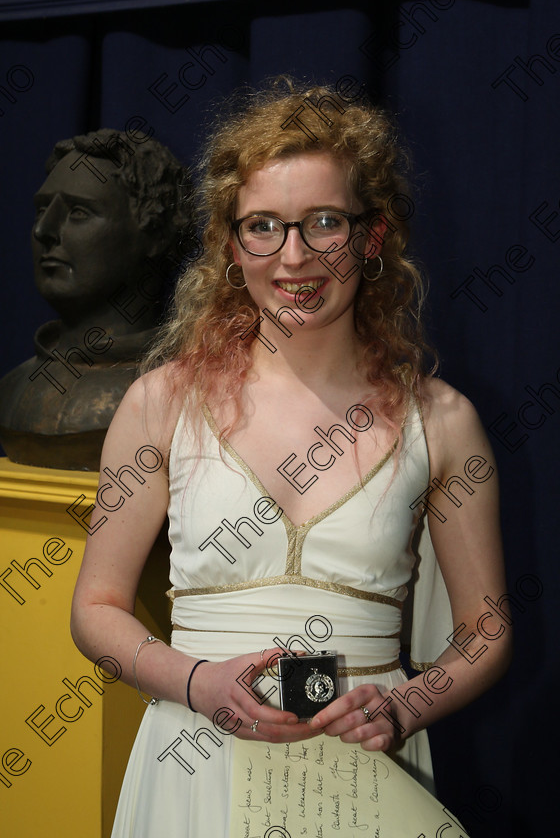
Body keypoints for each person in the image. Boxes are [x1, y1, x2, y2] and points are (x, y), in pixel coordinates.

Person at [70, 79, 511, 837]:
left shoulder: (444, 421)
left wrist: (405, 705)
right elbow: (95, 608)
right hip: (195, 759)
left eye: (324, 223)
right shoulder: (158, 403)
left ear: (373, 237)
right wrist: (196, 682)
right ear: (231, 245)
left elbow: (487, 630)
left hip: (361, 778)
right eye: (263, 227)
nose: (294, 256)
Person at [0, 128, 194, 469]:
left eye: (78, 212)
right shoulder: (12, 390)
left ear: (155, 233)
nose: (43, 230)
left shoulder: (190, 395)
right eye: (42, 209)